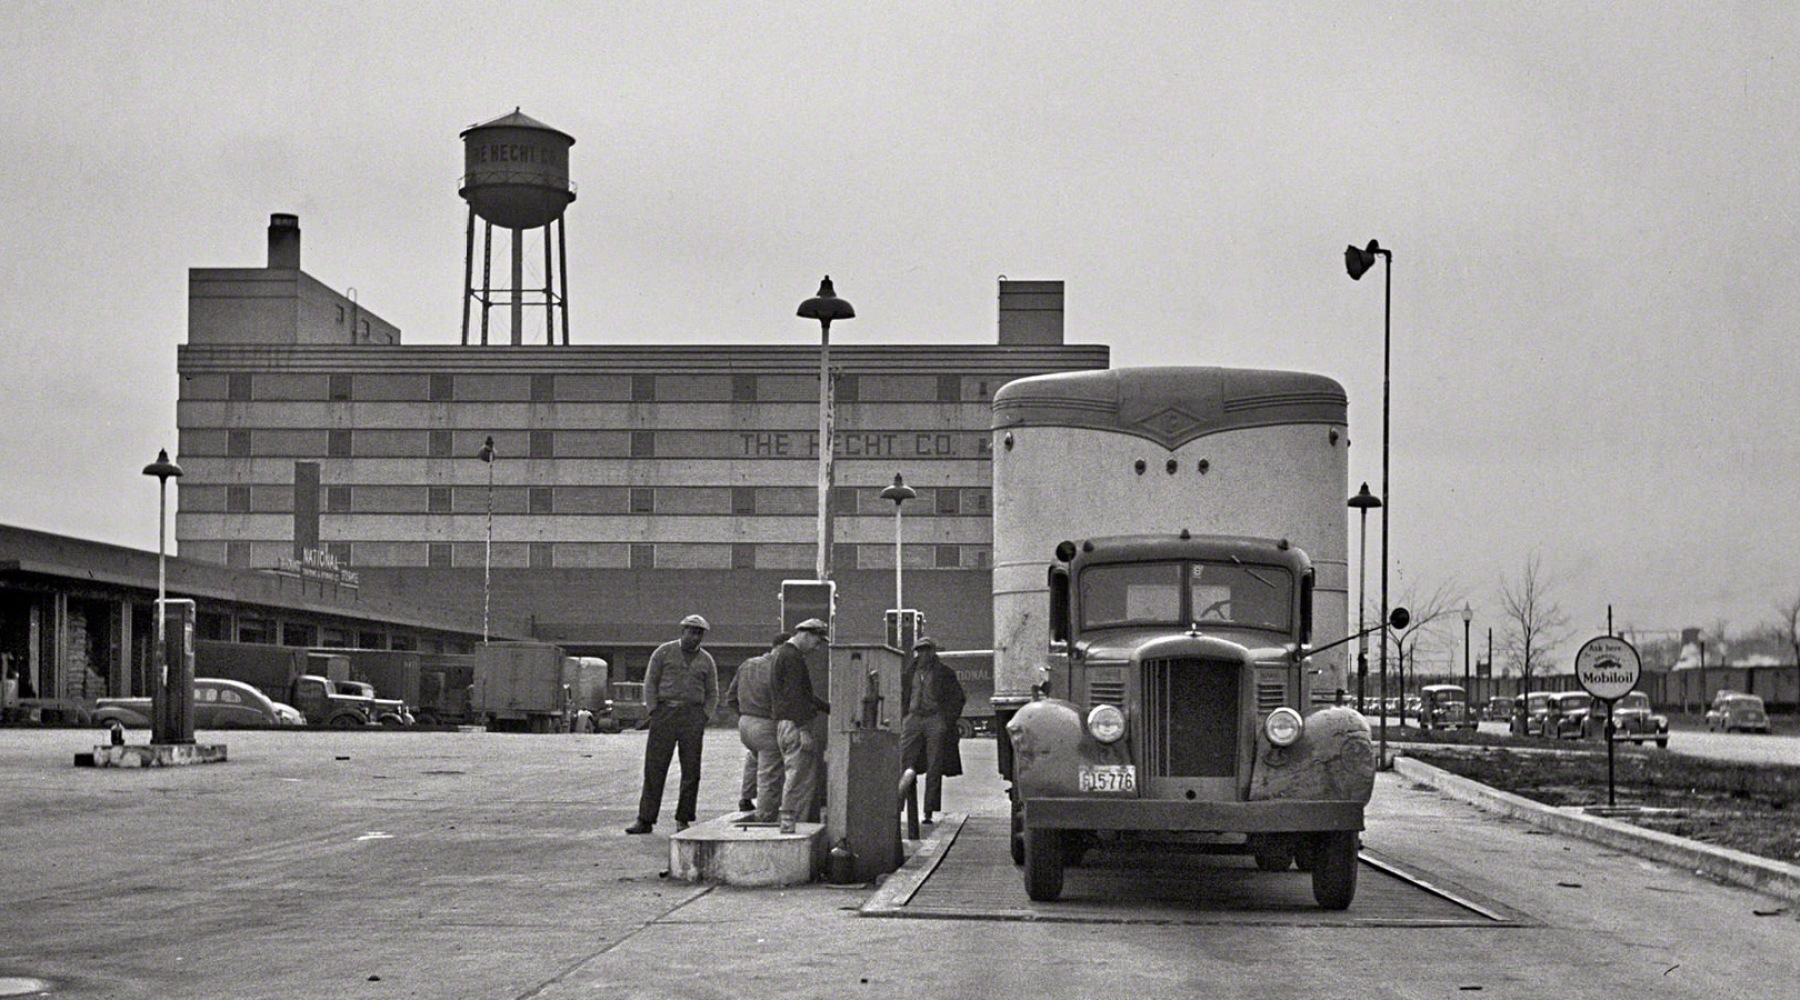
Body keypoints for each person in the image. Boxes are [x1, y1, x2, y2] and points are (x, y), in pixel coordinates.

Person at [626, 614, 718, 835]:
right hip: (665, 714)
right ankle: (645, 819)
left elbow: (713, 691)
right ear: (682, 631)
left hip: (692, 716)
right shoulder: (663, 652)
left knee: (691, 769)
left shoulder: (706, 660)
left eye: (700, 634)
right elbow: (651, 682)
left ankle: (684, 818)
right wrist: (654, 710)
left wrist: (705, 715)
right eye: (692, 632)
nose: (696, 637)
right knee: (655, 767)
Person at [770, 618, 832, 834]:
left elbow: (803, 694)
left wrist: (828, 707)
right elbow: (795, 696)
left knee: (796, 779)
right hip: (796, 727)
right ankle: (792, 831)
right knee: (799, 782)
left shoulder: (783, 655)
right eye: (817, 641)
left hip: (786, 725)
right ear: (806, 634)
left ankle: (792, 827)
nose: (816, 647)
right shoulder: (793, 658)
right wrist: (804, 729)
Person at [899, 636, 966, 825]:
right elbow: (902, 695)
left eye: (927, 650)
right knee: (903, 760)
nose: (923, 654)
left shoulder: (944, 673)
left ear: (933, 651)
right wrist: (904, 716)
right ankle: (899, 806)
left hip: (935, 717)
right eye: (920, 650)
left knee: (934, 764)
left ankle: (928, 811)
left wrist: (946, 720)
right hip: (913, 717)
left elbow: (958, 697)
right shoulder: (909, 673)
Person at [724, 632, 787, 823]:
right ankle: (766, 815)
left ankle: (746, 797)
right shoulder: (778, 669)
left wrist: (745, 714)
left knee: (753, 757)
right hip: (766, 723)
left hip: (745, 723)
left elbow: (730, 698)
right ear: (783, 648)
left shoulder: (748, 664)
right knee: (770, 772)